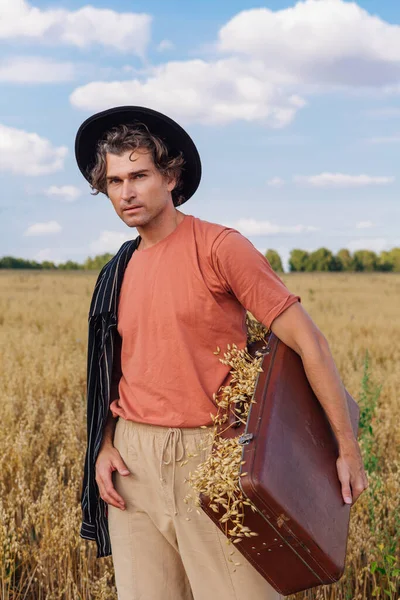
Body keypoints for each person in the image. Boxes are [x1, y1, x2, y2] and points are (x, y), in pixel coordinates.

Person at [74, 106, 369, 600]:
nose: (126, 192)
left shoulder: (220, 247)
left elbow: (308, 342)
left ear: (171, 176)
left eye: (140, 175)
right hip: (132, 466)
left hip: (211, 458)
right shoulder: (116, 272)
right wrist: (104, 445)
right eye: (115, 180)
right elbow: (110, 369)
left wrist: (347, 446)